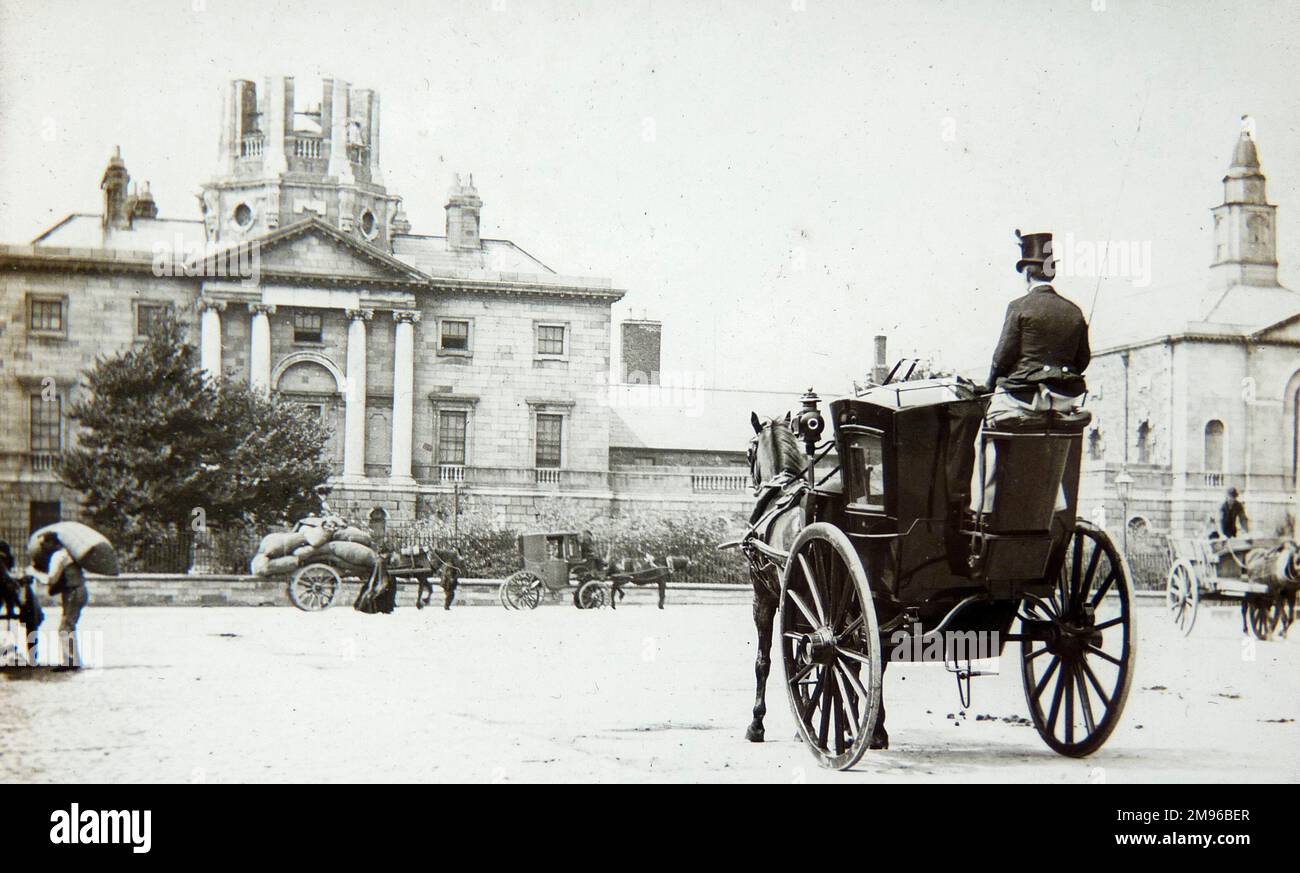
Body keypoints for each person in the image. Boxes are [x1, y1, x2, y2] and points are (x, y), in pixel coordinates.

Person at [971, 229, 1091, 512]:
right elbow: (1083, 360)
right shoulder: (1074, 311)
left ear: (1027, 274)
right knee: (1048, 442)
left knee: (983, 432)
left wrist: (989, 385)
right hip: (1061, 401)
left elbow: (1002, 357)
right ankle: (1054, 501)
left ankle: (983, 506)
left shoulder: (1019, 307)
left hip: (1023, 399)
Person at [30, 532, 87, 668]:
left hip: (72, 592)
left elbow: (51, 579)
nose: (42, 547)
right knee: (69, 626)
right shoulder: (69, 553)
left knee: (65, 627)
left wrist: (34, 573)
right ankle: (73, 660)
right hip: (77, 590)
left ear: (52, 543)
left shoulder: (58, 556)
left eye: (44, 544)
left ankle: (70, 661)